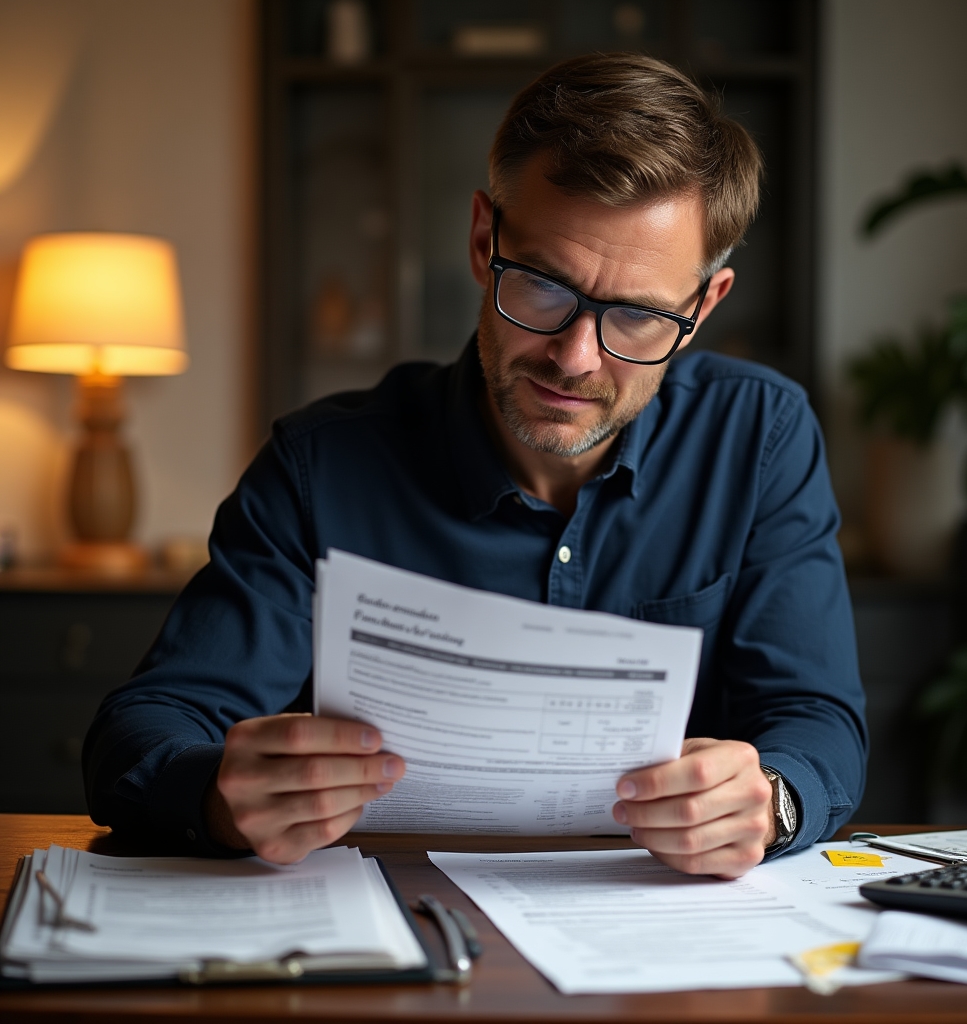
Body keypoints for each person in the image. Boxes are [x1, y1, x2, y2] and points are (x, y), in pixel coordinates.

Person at [84, 53, 866, 879]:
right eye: (541, 287)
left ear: (703, 306)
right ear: (483, 239)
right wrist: (216, 794)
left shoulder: (760, 436)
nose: (574, 358)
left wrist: (772, 801)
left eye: (636, 316)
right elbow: (143, 730)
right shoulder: (321, 467)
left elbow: (816, 721)